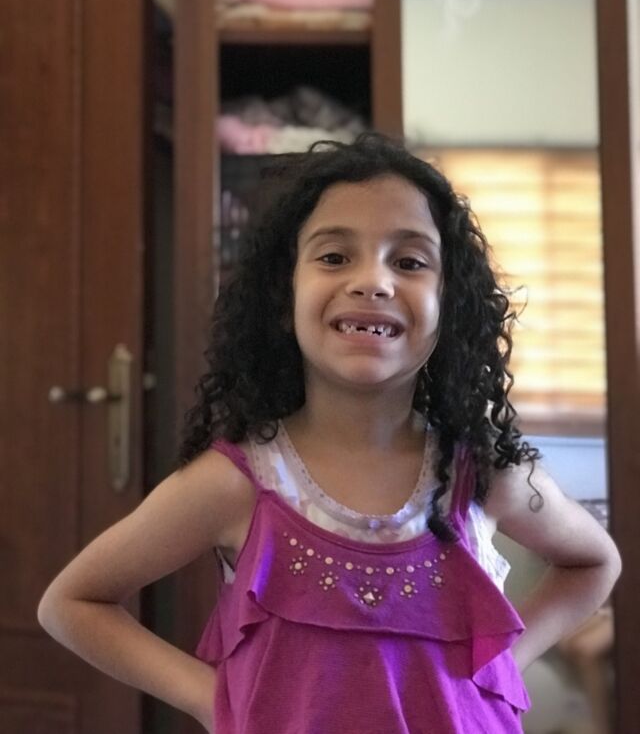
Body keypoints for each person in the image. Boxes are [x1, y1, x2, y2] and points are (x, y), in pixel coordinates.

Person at [38, 134, 621, 733]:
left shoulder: (486, 475)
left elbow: (594, 562)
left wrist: (502, 664)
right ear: (283, 296)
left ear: (451, 305)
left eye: (410, 262)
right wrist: (210, 698)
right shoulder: (237, 484)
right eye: (335, 256)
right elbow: (71, 603)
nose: (373, 281)